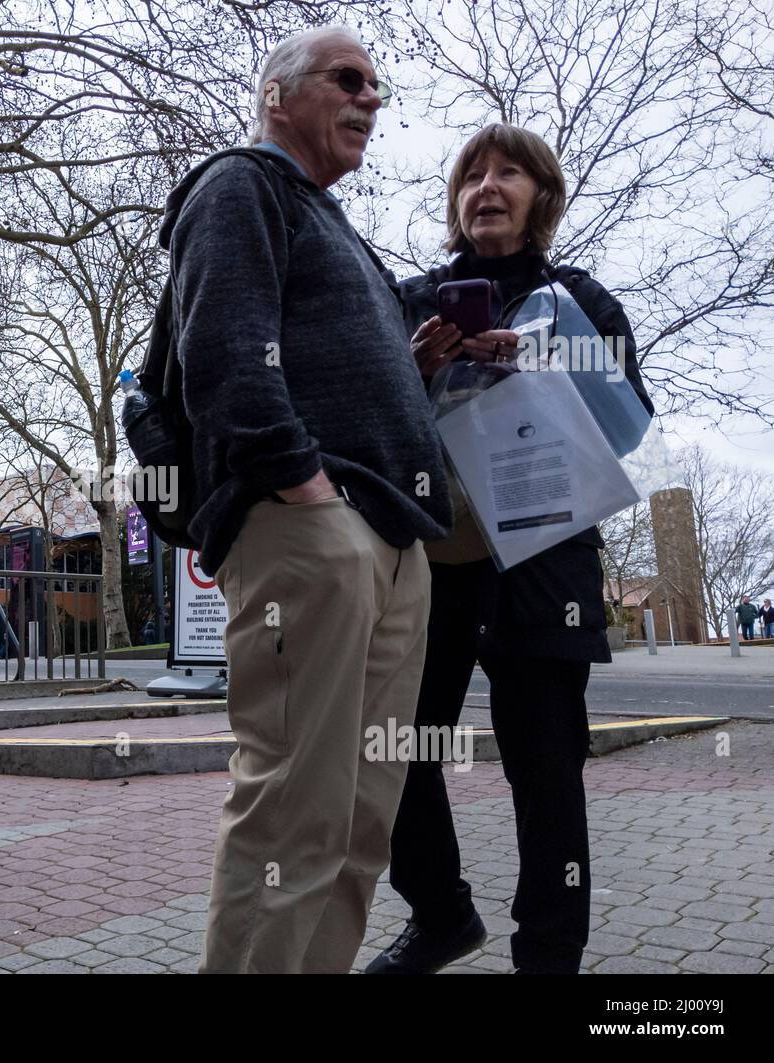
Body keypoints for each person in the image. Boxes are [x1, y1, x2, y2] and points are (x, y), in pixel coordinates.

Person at [165, 25, 451, 973]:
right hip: (315, 537)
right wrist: (309, 492)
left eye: (377, 84)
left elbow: (324, 365)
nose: (370, 97)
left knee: (364, 819)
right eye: (347, 79)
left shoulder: (335, 226)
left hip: (397, 547)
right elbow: (227, 355)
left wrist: (412, 368)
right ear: (279, 96)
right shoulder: (241, 186)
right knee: (296, 808)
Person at [366, 124, 654, 975]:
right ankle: (441, 913)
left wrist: (547, 363)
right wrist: (413, 370)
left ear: (541, 197)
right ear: (456, 202)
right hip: (432, 564)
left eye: (509, 173)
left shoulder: (579, 299)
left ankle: (551, 957)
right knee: (399, 749)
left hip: (546, 562)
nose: (486, 186)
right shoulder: (412, 298)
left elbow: (629, 420)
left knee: (547, 773)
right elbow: (366, 425)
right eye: (471, 175)